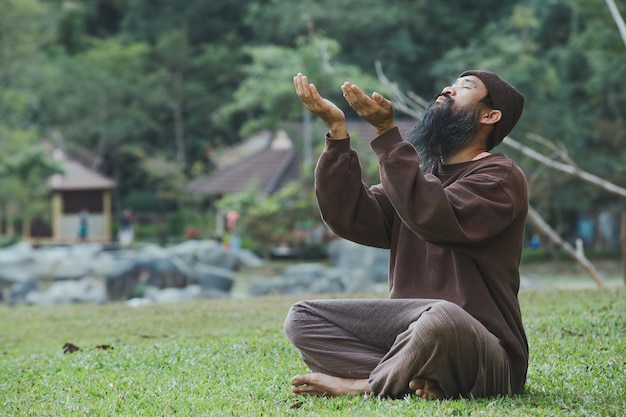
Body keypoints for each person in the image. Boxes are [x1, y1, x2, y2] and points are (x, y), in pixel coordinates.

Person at [283, 70, 528, 401]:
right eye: (450, 84)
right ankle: (418, 377)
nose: (447, 90)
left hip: (486, 353)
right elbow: (349, 215)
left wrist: (387, 132)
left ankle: (367, 384)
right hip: (412, 333)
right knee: (302, 318)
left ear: (490, 115)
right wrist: (337, 134)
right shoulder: (419, 181)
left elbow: (432, 215)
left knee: (442, 316)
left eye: (464, 88)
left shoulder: (500, 177)